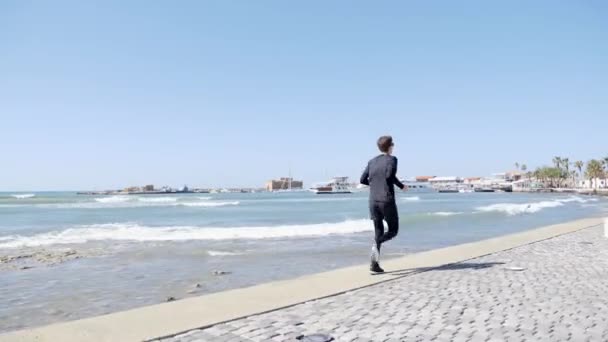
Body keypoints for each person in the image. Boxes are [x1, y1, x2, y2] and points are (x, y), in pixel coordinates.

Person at [360, 135, 406, 273]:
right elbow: (389, 176)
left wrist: (374, 185)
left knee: (378, 231)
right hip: (386, 200)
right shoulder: (392, 159)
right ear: (390, 146)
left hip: (373, 201)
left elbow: (362, 179)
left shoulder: (372, 161)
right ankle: (376, 244)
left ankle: (374, 265)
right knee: (393, 230)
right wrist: (401, 186)